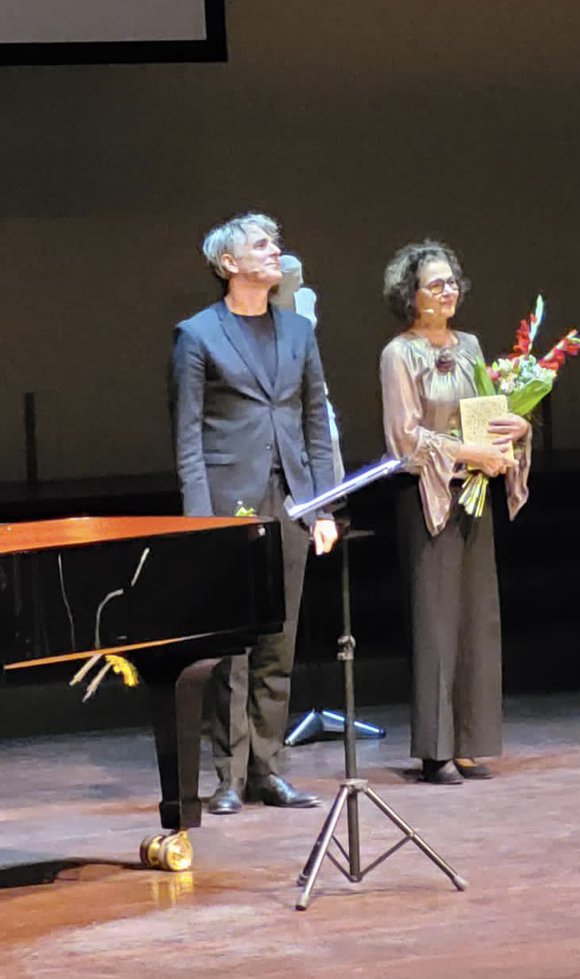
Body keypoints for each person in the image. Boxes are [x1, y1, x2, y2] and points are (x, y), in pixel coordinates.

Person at [169, 212, 339, 813]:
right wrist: (200, 523)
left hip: (291, 498)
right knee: (232, 645)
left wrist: (326, 506)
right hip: (227, 502)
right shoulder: (197, 335)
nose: (276, 251)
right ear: (229, 264)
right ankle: (229, 776)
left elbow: (315, 422)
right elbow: (187, 435)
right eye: (262, 245)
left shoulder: (297, 332)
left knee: (279, 640)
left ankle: (269, 767)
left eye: (275, 243)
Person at [379, 240, 531, 785]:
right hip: (428, 495)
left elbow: (485, 411)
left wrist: (516, 429)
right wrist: (468, 453)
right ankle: (434, 750)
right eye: (435, 284)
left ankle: (470, 741)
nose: (448, 292)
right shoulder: (400, 353)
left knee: (474, 617)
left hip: (474, 490)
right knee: (436, 623)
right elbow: (405, 438)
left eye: (452, 282)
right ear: (411, 295)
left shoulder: (469, 345)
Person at [272, 253, 346, 484]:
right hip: (281, 378)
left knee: (330, 437)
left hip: (308, 374)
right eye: (295, 276)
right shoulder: (266, 305)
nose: (301, 280)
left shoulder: (306, 297)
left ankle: (332, 497)